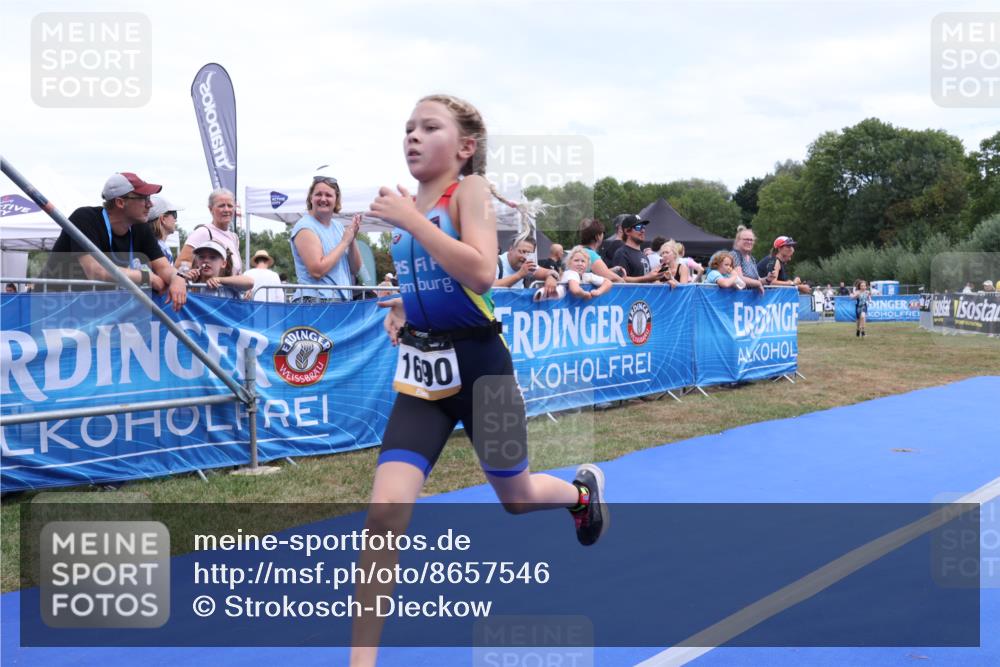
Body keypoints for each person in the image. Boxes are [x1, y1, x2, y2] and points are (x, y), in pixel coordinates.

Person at [357, 94, 608, 666]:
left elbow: (480, 272)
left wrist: (412, 220)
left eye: (429, 127)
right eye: (407, 128)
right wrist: (401, 307)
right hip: (423, 377)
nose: (412, 137)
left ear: (465, 147)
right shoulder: (409, 205)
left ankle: (579, 495)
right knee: (383, 516)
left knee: (516, 498)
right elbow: (430, 280)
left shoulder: (465, 192)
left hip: (482, 370)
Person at [40, 172, 187, 310]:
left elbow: (163, 267)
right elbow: (95, 271)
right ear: (120, 202)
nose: (151, 204)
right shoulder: (85, 218)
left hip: (93, 309)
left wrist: (176, 278)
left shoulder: (140, 227)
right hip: (52, 306)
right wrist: (147, 277)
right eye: (144, 199)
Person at [289, 175, 362, 303]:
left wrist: (351, 240)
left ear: (336, 200)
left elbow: (355, 269)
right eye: (318, 194)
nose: (323, 199)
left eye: (328, 195)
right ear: (311, 198)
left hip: (339, 302)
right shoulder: (305, 227)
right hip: (315, 301)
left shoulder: (339, 227)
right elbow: (317, 270)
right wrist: (344, 242)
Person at [175, 188, 243, 276]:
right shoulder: (203, 232)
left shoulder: (234, 237)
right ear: (211, 209)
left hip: (232, 289)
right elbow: (180, 265)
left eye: (230, 206)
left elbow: (236, 270)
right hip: (210, 289)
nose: (226, 210)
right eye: (221, 206)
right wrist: (194, 273)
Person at [184, 240, 254, 299]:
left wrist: (219, 280)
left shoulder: (229, 284)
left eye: (212, 257)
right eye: (201, 257)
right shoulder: (192, 284)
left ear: (223, 263)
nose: (206, 260)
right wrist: (184, 280)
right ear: (197, 261)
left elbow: (250, 282)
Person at [611, 214, 661, 282]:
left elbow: (647, 280)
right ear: (627, 231)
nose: (643, 230)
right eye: (638, 227)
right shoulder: (622, 253)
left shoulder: (643, 255)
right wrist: (648, 277)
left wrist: (664, 280)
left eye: (644, 227)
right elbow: (620, 279)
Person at [579, 218, 625, 283]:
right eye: (603, 233)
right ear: (598, 236)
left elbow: (595, 273)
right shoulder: (591, 255)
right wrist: (623, 281)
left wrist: (612, 270)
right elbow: (611, 278)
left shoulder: (578, 251)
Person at [146, 195, 181, 264]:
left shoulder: (145, 245)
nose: (176, 220)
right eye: (174, 214)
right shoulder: (160, 249)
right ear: (163, 219)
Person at [729, 225, 765, 291]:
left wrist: (768, 279)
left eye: (751, 240)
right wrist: (758, 283)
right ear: (738, 241)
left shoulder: (752, 259)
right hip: (737, 297)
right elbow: (739, 278)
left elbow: (758, 279)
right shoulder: (734, 255)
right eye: (746, 239)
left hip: (750, 298)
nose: (749, 242)